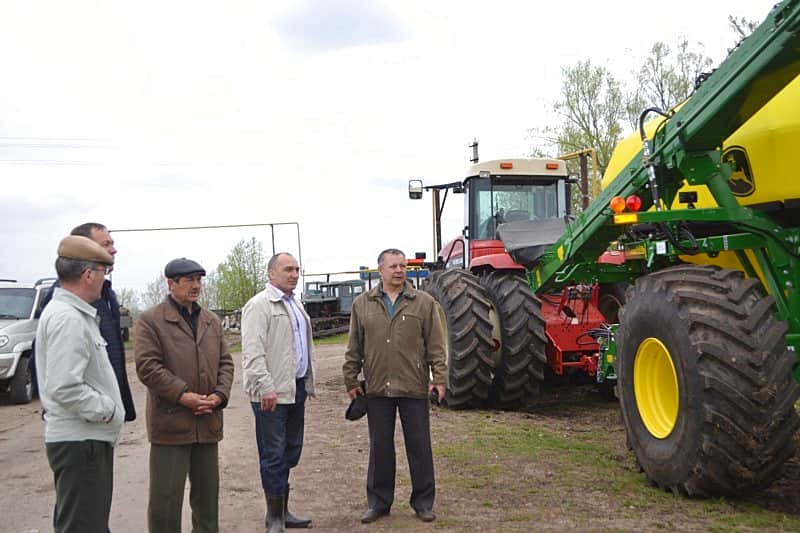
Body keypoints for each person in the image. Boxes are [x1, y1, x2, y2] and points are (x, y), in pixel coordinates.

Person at [342, 248, 447, 524]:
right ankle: (378, 503)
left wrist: (440, 379)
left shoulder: (423, 303)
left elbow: (436, 345)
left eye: (403, 266)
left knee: (420, 447)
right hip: (377, 389)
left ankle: (423, 503)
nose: (399, 270)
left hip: (414, 387)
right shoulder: (362, 304)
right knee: (380, 449)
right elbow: (354, 346)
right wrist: (351, 379)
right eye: (393, 266)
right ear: (381, 271)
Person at [134, 258, 234, 533]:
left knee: (207, 502)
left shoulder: (211, 321)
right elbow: (148, 367)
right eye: (189, 280)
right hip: (171, 425)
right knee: (165, 504)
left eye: (199, 280)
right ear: (171, 283)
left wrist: (219, 395)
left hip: (207, 422)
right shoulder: (151, 321)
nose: (196, 285)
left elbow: (225, 362)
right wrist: (183, 395)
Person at [36, 235, 124, 533]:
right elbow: (64, 387)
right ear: (89, 275)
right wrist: (108, 409)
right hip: (81, 442)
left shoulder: (73, 314)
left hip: (83, 440)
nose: (104, 279)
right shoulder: (68, 318)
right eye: (103, 272)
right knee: (83, 527)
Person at [242, 252, 316, 532]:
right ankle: (274, 518)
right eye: (287, 269)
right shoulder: (259, 305)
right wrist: (265, 387)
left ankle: (283, 511)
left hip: (295, 388)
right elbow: (252, 353)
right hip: (270, 394)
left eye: (297, 268)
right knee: (273, 453)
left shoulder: (294, 304)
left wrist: (308, 382)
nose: (294, 274)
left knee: (290, 451)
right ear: (271, 274)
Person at [34, 222, 136, 422]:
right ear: (84, 250)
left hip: (101, 417)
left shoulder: (105, 294)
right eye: (106, 244)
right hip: (83, 419)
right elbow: (54, 373)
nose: (113, 249)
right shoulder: (67, 299)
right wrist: (105, 409)